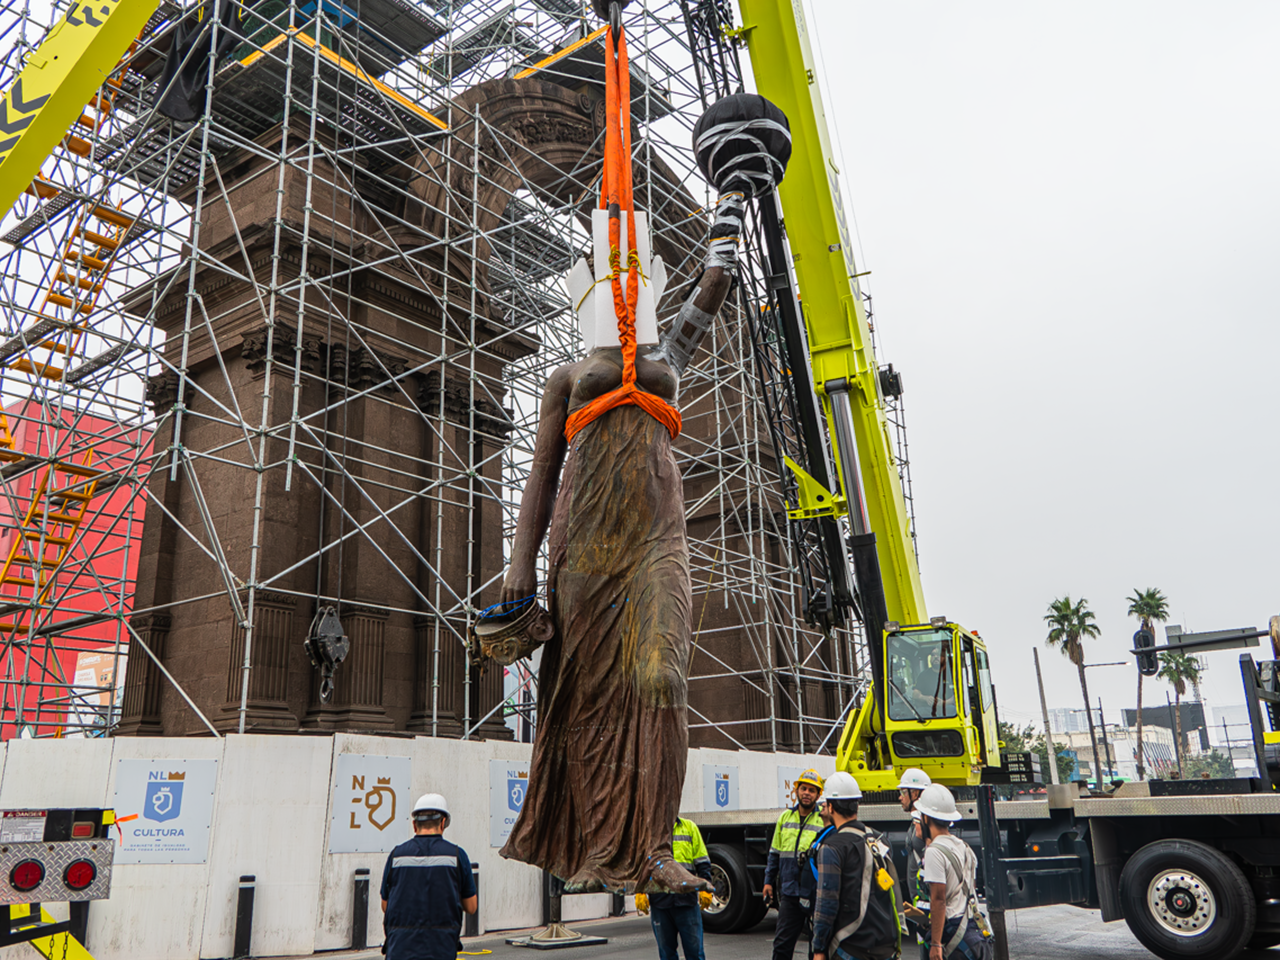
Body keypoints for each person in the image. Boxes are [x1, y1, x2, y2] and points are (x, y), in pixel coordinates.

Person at [496, 88, 789, 891]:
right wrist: (520, 569)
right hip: (584, 535)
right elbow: (538, 474)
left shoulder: (669, 351)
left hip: (657, 533)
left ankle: (653, 846)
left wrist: (733, 197)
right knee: (589, 690)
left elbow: (718, 279)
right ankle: (598, 847)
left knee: (661, 673)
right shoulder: (567, 375)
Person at [811, 772, 901, 960]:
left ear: (831, 806)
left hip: (851, 946)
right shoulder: (879, 839)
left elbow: (826, 903)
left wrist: (819, 948)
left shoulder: (832, 847)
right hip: (885, 945)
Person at [380, 793, 477, 960]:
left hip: (399, 949)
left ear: (414, 825)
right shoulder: (457, 856)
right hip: (441, 948)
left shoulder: (396, 855)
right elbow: (471, 906)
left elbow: (385, 905)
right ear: (443, 822)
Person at [916, 784, 991, 960]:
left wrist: (935, 944)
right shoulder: (965, 848)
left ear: (925, 818)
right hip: (975, 932)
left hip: (955, 935)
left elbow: (939, 900)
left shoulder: (934, 851)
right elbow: (969, 891)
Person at [764, 769, 826, 960]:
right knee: (782, 945)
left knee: (816, 947)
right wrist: (768, 882)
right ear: (796, 790)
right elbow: (774, 854)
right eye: (804, 788)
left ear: (818, 795)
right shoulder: (785, 818)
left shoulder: (823, 819)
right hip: (790, 893)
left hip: (815, 894)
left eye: (812, 790)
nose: (807, 793)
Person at [637, 814, 716, 960]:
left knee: (695, 954)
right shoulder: (649, 832)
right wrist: (640, 891)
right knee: (666, 955)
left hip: (686, 902)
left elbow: (702, 862)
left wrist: (705, 888)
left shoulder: (689, 828)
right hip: (660, 903)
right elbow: (641, 866)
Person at [897, 769, 932, 907]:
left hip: (926, 900)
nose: (900, 797)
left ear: (915, 793)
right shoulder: (917, 821)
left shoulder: (924, 824)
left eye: (903, 792)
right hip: (920, 901)